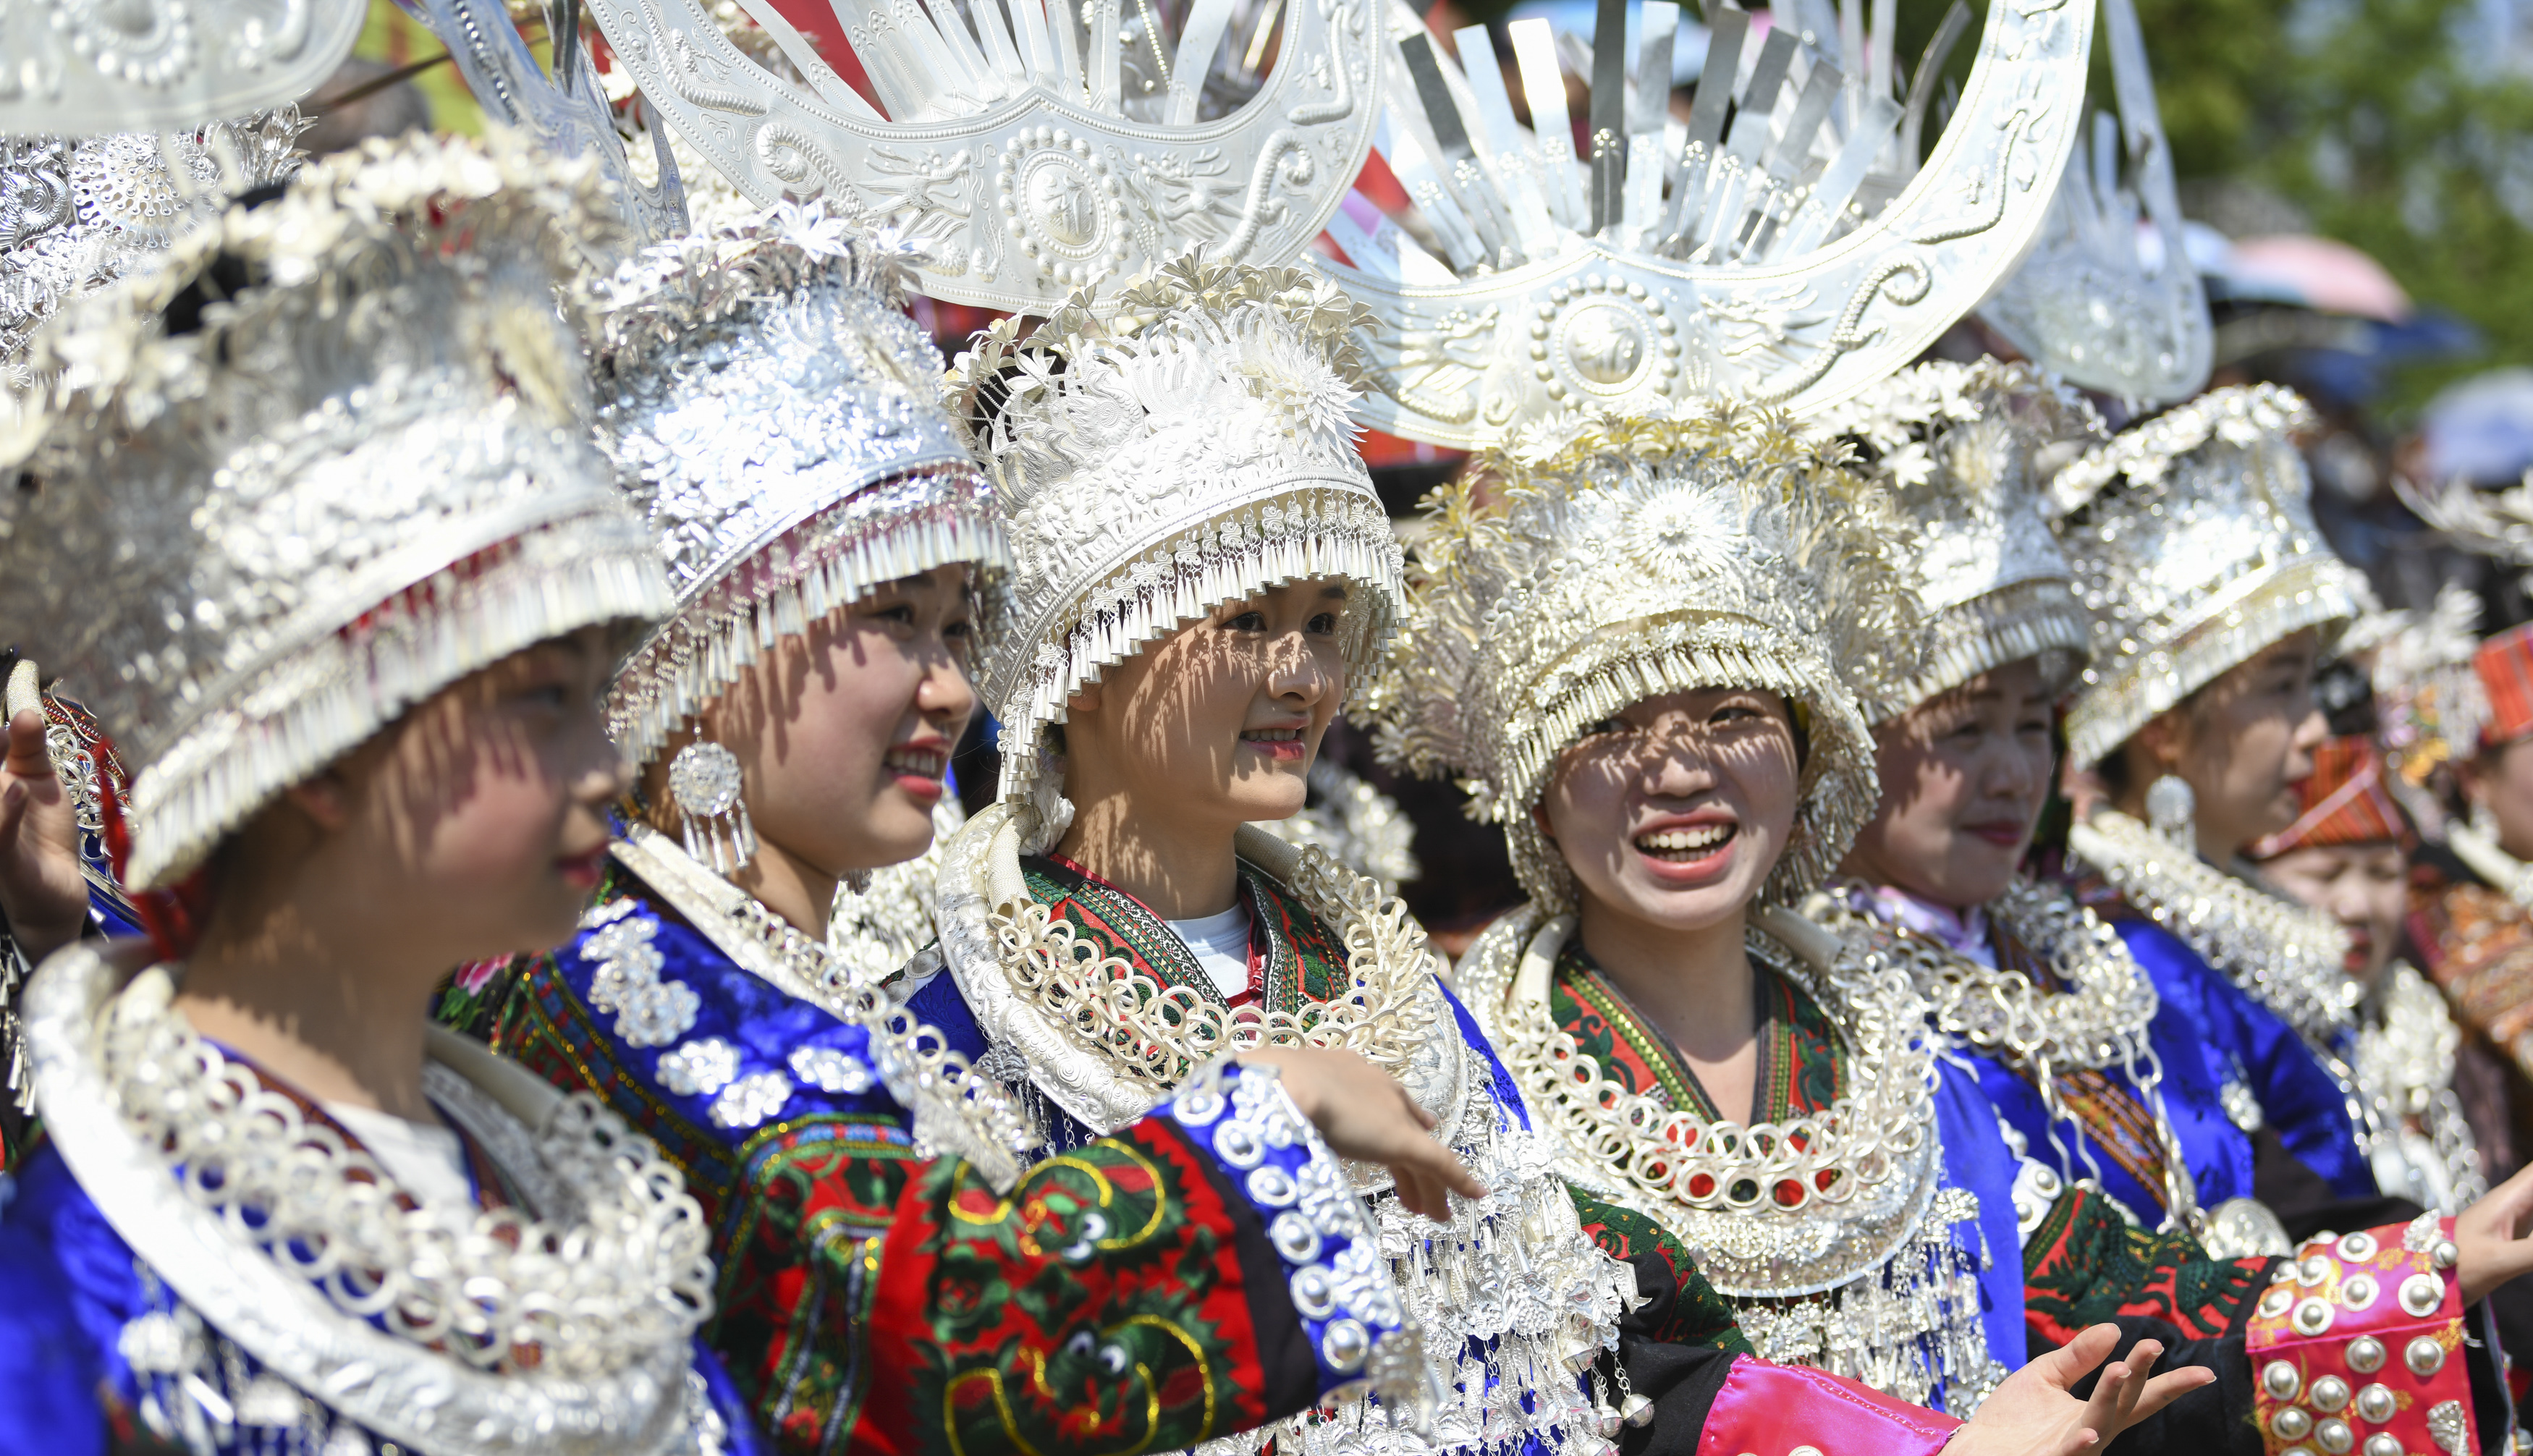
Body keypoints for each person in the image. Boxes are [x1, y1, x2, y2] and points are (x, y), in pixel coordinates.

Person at [455, 211, 1468, 1456]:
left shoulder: (755, 965)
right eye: (893, 618)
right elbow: (944, 1345)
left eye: (955, 626)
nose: (947, 687)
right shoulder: (616, 970)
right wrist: (1258, 1104)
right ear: (710, 650)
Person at [1381, 401, 2533, 1455]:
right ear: (1535, 782)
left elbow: (2119, 1293)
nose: (1681, 769)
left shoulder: (1894, 1055)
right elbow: (1643, 1398)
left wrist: (2426, 1270)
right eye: (1615, 723)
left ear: (1813, 757)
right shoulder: (1469, 1093)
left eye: (1732, 712)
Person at [0, 135, 761, 1455]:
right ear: (329, 750)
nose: (604, 764)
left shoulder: (557, 1192)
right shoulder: (84, 1298)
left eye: (593, 692)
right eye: (539, 699)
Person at [1807, 359, 2293, 1253]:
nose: (2011, 775)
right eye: (1963, 731)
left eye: (2032, 727)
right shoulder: (1818, 997)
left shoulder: (2073, 943)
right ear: (1849, 742)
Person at [2054, 384, 2385, 1224]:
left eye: (2309, 685)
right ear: (2164, 728)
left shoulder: (2229, 915)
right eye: (2280, 688)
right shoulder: (2126, 946)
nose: (2314, 730)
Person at [2251, 736, 2488, 1211]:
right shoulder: (2250, 1036)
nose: (2357, 906)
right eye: (2325, 874)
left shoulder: (2431, 1026)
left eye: (2382, 874)